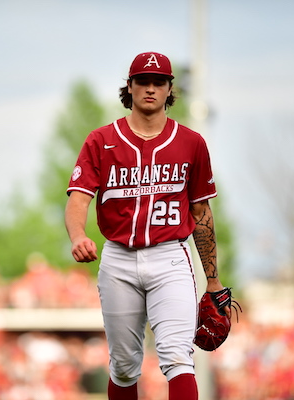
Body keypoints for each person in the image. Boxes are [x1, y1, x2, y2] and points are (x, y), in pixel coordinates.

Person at [64, 51, 229, 400]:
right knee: (124, 366)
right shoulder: (101, 140)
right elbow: (78, 198)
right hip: (119, 259)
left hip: (171, 257)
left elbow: (201, 213)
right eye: (143, 81)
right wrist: (78, 235)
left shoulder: (191, 143)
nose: (151, 88)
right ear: (130, 86)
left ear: (170, 89)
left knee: (177, 357)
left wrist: (212, 280)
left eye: (159, 82)